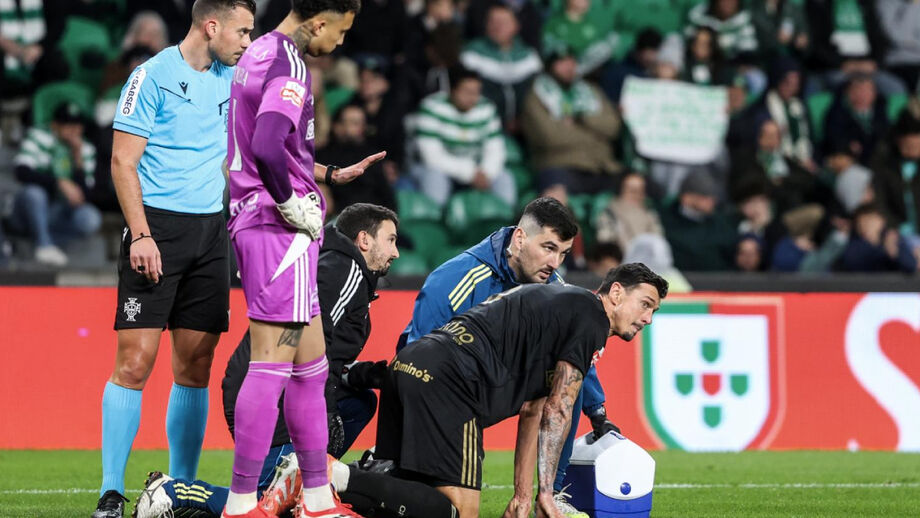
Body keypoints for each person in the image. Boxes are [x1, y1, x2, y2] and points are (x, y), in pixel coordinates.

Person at [132, 204, 419, 518]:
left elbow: (325, 352)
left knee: (359, 403)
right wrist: (325, 407)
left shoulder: (337, 266)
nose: (396, 252)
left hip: (271, 382)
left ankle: (312, 479)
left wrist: (363, 375)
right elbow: (313, 341)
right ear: (364, 240)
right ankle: (173, 490)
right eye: (390, 240)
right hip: (274, 390)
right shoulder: (343, 269)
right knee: (265, 501)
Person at [224, 0, 388, 515]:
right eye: (340, 31)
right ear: (318, 23)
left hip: (266, 224)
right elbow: (268, 145)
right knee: (271, 365)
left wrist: (327, 175)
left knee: (311, 369)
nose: (340, 42)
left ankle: (317, 498)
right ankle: (240, 503)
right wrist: (290, 202)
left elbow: (267, 142)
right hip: (279, 232)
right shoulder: (289, 63)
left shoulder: (257, 52)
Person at [95, 3, 256, 518]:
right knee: (134, 363)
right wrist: (141, 234)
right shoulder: (151, 76)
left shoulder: (234, 78)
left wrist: (324, 171)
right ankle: (111, 492)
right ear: (212, 26)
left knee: (195, 366)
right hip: (157, 229)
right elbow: (122, 160)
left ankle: (179, 491)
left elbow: (258, 150)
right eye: (242, 31)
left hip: (210, 233)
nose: (247, 42)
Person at [376, 263, 668, 518]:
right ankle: (350, 479)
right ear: (616, 293)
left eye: (653, 311)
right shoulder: (592, 318)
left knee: (399, 490)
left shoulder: (566, 307)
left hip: (409, 364)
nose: (648, 319)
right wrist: (547, 494)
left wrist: (523, 497)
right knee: (461, 511)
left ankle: (362, 482)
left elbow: (535, 409)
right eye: (645, 304)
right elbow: (559, 408)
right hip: (449, 383)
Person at [397, 196, 615, 518]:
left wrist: (597, 410)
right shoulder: (457, 277)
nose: (555, 263)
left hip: (493, 384)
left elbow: (577, 353)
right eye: (548, 248)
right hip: (442, 388)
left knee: (569, 385)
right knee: (453, 508)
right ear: (520, 238)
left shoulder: (553, 285)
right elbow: (417, 351)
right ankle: (379, 467)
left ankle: (552, 495)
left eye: (563, 253)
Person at [409, 66, 516, 207]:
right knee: (435, 179)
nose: (473, 97)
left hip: (477, 171)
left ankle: (506, 217)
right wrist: (469, 173)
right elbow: (432, 157)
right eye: (467, 92)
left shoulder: (487, 108)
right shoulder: (431, 107)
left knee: (504, 178)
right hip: (439, 169)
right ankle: (435, 218)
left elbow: (495, 150)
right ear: (452, 90)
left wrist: (486, 173)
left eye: (476, 92)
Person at [11, 101, 101, 267]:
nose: (73, 130)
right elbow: (21, 171)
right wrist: (59, 183)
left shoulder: (85, 148)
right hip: (30, 209)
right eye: (67, 124)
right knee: (35, 193)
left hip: (58, 212)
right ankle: (44, 245)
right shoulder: (39, 136)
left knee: (90, 218)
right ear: (55, 125)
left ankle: (45, 240)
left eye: (77, 125)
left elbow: (87, 195)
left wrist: (77, 158)